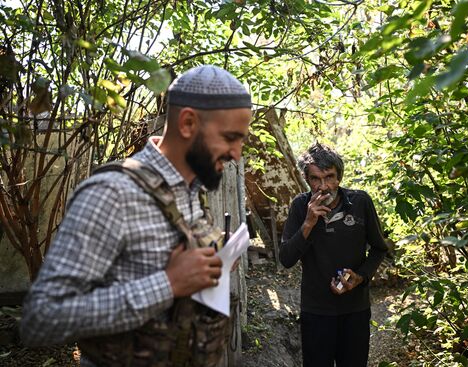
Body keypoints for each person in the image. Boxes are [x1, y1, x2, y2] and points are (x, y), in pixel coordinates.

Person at [20, 65, 253, 366]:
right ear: (187, 123)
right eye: (230, 137)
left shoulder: (193, 188)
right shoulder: (111, 195)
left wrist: (213, 262)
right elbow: (40, 320)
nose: (236, 153)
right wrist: (168, 284)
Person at [279, 142, 388, 367]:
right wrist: (308, 223)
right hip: (316, 310)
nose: (323, 186)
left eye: (329, 177)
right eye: (315, 179)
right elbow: (286, 259)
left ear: (339, 177)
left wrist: (360, 277)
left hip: (355, 309)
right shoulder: (300, 206)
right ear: (306, 179)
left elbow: (379, 249)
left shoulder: (360, 203)